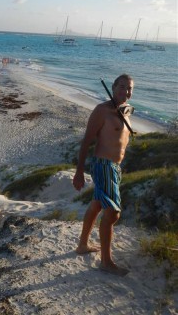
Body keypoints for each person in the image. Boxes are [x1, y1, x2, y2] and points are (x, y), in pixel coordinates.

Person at [73, 74, 134, 276]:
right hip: (103, 165)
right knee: (113, 213)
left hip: (114, 168)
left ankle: (82, 245)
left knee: (98, 204)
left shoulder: (127, 111)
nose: (126, 91)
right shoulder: (102, 111)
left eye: (130, 88)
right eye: (122, 87)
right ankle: (106, 262)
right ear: (113, 87)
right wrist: (79, 171)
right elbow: (86, 141)